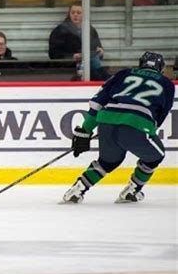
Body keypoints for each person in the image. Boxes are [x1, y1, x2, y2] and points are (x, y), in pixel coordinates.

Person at [63, 51, 174, 204]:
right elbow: (160, 114)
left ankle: (77, 190)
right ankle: (132, 190)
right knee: (156, 156)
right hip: (137, 124)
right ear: (161, 67)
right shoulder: (166, 83)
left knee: (108, 162)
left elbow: (98, 103)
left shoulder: (123, 74)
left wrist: (85, 131)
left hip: (107, 120)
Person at [48, 0, 110, 81]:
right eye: (73, 12)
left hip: (89, 67)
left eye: (78, 13)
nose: (75, 15)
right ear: (69, 14)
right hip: (68, 68)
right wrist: (72, 56)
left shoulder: (90, 30)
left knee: (102, 75)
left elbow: (97, 47)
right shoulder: (60, 31)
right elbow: (53, 54)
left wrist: (100, 52)